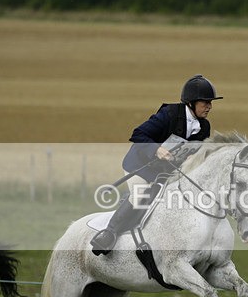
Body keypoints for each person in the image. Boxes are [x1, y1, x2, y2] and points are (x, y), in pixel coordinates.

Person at [90, 74, 221, 255]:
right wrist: (156, 149)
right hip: (141, 166)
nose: (209, 106)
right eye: (205, 102)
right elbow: (138, 134)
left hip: (166, 172)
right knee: (140, 195)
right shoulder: (169, 114)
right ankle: (109, 233)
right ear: (191, 103)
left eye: (210, 102)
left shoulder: (204, 127)